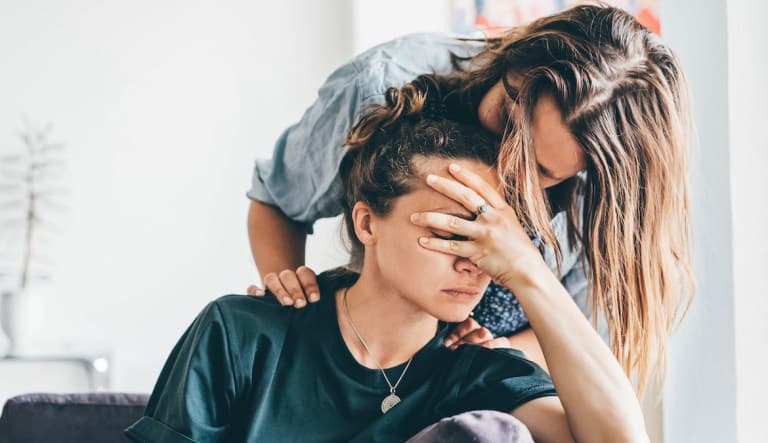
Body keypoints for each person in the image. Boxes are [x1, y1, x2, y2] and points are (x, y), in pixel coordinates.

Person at [246, 4, 694, 393]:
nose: (503, 169)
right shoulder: (379, 83)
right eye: (505, 121)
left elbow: (581, 334)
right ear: (506, 66)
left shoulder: (602, 188)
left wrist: (500, 354)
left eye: (539, 171)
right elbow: (277, 201)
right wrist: (292, 303)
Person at [126, 98, 595, 442]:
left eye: (490, 238)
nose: (473, 262)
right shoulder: (240, 335)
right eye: (449, 229)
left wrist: (529, 275)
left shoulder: (479, 371)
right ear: (368, 222)